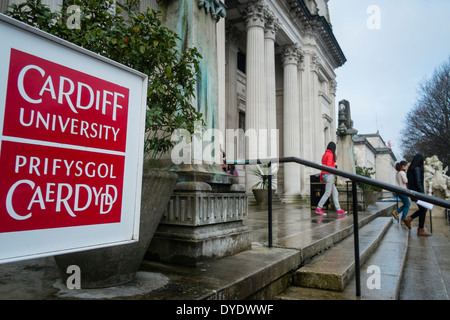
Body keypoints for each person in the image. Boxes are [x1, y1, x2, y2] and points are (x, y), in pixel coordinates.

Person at [315, 142, 347, 216]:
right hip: (329, 176)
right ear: (333, 148)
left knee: (335, 193)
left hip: (325, 176)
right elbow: (330, 167)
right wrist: (338, 174)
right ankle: (319, 208)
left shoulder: (324, 155)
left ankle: (339, 210)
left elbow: (322, 168)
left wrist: (321, 177)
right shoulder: (330, 155)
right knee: (327, 193)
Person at [404, 154, 432, 236]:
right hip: (418, 193)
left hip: (413, 192)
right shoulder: (417, 169)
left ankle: (410, 219)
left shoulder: (410, 170)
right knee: (423, 210)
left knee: (423, 209)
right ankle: (420, 229)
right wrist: (423, 195)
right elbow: (419, 183)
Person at [392, 161, 411, 225]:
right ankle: (403, 219)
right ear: (403, 166)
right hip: (403, 191)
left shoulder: (397, 173)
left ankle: (396, 212)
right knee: (407, 205)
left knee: (406, 204)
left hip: (398, 191)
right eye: (406, 166)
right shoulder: (402, 173)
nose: (407, 167)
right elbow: (405, 181)